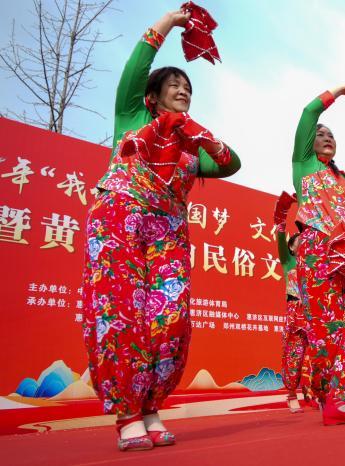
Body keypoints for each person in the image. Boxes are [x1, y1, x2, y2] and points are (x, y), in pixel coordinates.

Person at [82, 9, 242, 452]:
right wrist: (170, 22)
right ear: (152, 96)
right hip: (120, 221)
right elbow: (137, 66)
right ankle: (127, 413)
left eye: (187, 87)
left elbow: (231, 163)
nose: (183, 90)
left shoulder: (191, 149)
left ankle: (151, 404)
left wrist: (200, 135)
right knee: (120, 314)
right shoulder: (132, 115)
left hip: (169, 233)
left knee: (170, 320)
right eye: (174, 84)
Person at [292, 83, 345, 425]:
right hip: (317, 250)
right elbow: (308, 113)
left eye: (331, 135)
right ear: (309, 142)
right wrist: (340, 92)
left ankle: (339, 397)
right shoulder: (304, 164)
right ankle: (329, 395)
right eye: (320, 134)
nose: (327, 137)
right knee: (326, 328)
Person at [274, 194, 309, 414]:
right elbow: (280, 237)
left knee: (320, 354)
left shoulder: (313, 264)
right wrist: (283, 213)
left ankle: (321, 394)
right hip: (296, 312)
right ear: (292, 248)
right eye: (299, 240)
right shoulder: (289, 262)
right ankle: (291, 394)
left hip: (314, 312)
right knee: (295, 354)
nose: (303, 242)